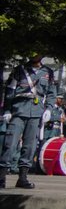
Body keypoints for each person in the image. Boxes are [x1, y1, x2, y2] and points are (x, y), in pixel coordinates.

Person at [2, 54, 57, 189]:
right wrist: (7, 109)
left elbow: (51, 93)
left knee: (30, 146)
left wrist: (49, 109)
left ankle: (22, 178)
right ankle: (1, 177)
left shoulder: (48, 73)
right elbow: (10, 90)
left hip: (36, 113)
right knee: (10, 144)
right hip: (19, 111)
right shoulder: (19, 70)